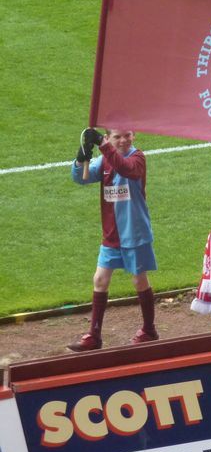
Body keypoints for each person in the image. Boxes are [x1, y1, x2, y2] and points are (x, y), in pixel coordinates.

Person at [68, 128, 158, 351]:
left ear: (134, 135)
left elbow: (125, 169)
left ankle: (149, 330)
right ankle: (94, 336)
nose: (124, 140)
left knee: (139, 280)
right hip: (111, 234)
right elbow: (81, 178)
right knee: (100, 279)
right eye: (117, 137)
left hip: (134, 232)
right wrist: (81, 157)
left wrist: (103, 144)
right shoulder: (103, 159)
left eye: (127, 135)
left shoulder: (137, 158)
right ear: (109, 137)